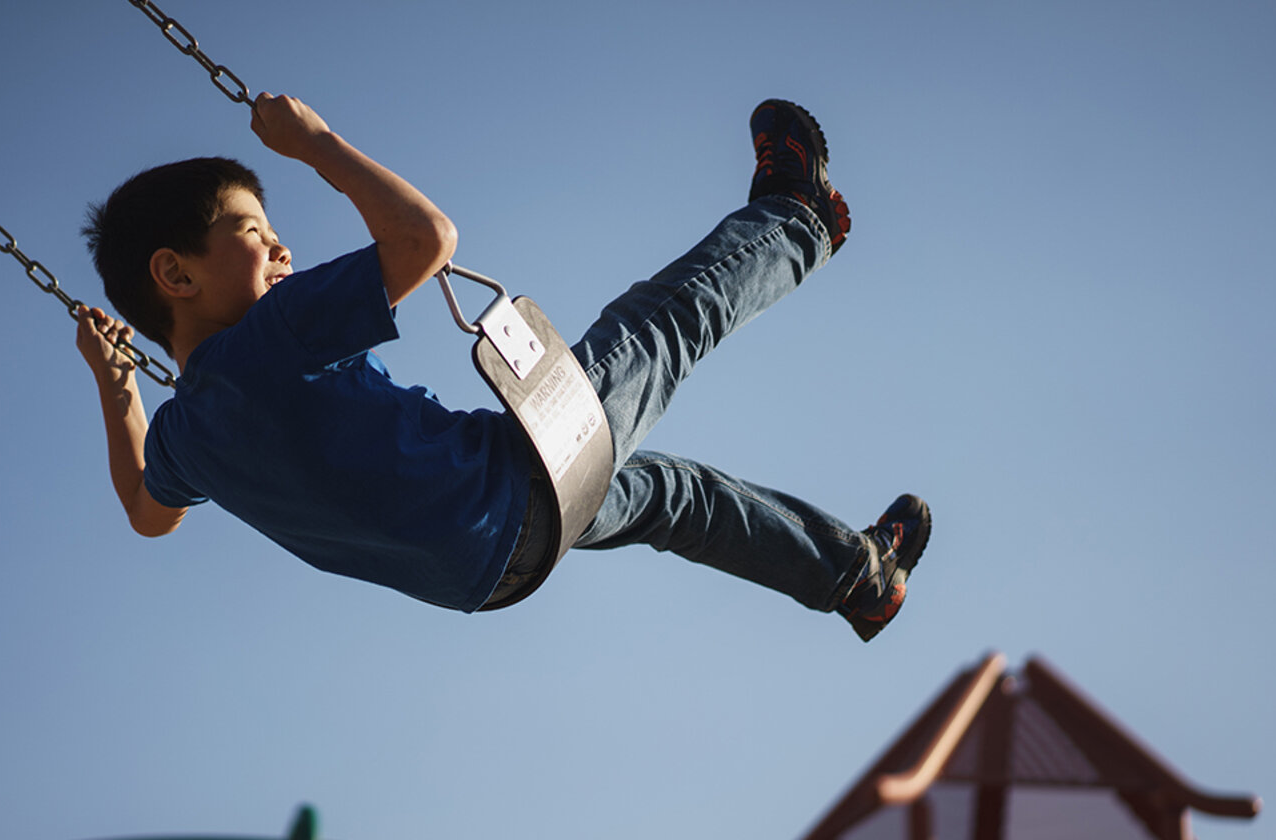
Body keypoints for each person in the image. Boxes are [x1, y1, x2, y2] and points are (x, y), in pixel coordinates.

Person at [75, 93, 931, 641]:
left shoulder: (183, 435)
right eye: (253, 231)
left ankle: (856, 576)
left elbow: (148, 512)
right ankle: (798, 219)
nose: (280, 246)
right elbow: (425, 240)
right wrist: (317, 144)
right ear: (175, 274)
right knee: (660, 327)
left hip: (488, 571)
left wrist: (119, 392)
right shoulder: (271, 336)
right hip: (509, 486)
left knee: (676, 498)